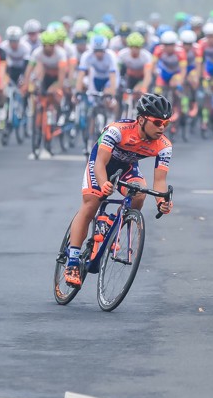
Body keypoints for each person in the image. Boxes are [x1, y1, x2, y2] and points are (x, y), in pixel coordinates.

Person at [63, 93, 174, 287]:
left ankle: (114, 227)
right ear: (141, 120)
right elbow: (100, 163)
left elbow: (160, 181)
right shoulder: (117, 131)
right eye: (157, 122)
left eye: (166, 123)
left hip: (127, 167)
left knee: (140, 193)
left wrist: (161, 202)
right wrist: (103, 182)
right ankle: (72, 260)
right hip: (101, 164)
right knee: (92, 202)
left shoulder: (164, 146)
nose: (162, 128)